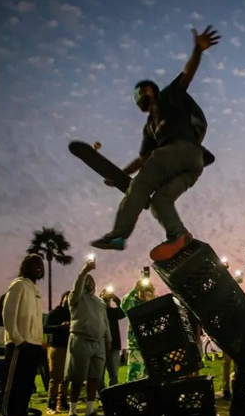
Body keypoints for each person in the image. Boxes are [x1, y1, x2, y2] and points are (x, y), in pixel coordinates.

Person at [89, 25, 221, 263]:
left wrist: (198, 50)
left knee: (141, 185)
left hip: (182, 150)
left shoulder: (167, 97)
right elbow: (142, 159)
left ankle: (118, 235)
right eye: (135, 97)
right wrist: (120, 173)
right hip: (192, 166)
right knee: (159, 201)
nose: (137, 99)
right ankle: (178, 235)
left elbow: (186, 75)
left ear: (150, 90)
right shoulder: (149, 128)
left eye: (139, 93)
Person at [1, 254, 46, 416]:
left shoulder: (35, 289)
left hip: (33, 344)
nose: (39, 267)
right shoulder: (18, 284)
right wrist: (18, 339)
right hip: (19, 344)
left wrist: (38, 341)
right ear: (26, 267)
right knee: (15, 385)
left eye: (41, 264)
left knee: (27, 386)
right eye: (35, 264)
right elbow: (8, 314)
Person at [65, 259, 112, 416]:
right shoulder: (76, 298)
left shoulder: (100, 302)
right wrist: (84, 271)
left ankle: (89, 411)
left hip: (98, 342)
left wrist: (108, 339)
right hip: (81, 339)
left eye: (91, 280)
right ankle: (72, 412)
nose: (88, 282)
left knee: (94, 377)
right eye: (86, 280)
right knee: (77, 378)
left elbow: (105, 321)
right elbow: (77, 286)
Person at [121, 279, 157, 382]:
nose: (146, 294)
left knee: (152, 377)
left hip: (151, 346)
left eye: (148, 291)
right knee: (134, 377)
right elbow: (124, 305)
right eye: (143, 291)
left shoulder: (154, 305)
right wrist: (134, 290)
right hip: (137, 346)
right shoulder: (133, 305)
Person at [44, 291, 71, 414]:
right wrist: (59, 327)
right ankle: (51, 403)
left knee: (66, 377)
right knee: (55, 377)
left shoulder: (73, 313)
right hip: (56, 347)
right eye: (67, 297)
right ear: (62, 299)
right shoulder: (55, 313)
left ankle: (63, 402)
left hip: (68, 347)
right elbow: (45, 328)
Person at [100, 288, 127, 388]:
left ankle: (113, 393)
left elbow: (124, 311)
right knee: (99, 375)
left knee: (114, 374)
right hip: (100, 346)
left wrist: (116, 298)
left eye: (108, 298)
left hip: (114, 346)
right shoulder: (97, 312)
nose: (106, 299)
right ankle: (101, 394)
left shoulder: (113, 312)